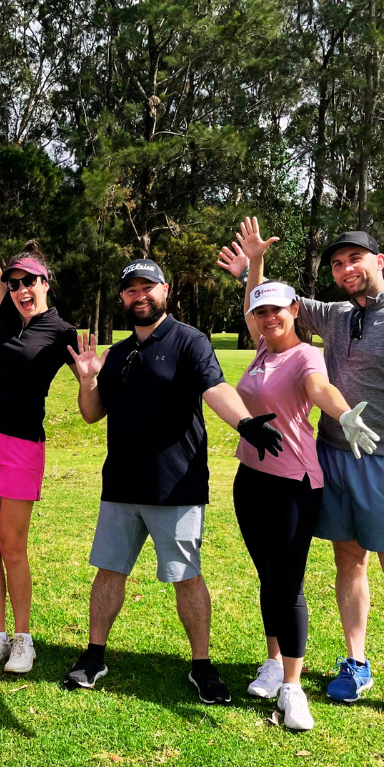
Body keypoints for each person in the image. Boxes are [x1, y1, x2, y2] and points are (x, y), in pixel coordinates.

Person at [65, 258, 285, 703]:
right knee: (109, 572)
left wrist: (244, 424)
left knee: (187, 578)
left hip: (177, 487)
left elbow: (215, 388)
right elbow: (92, 414)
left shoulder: (189, 341)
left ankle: (201, 666)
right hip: (121, 487)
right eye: (131, 290)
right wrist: (88, 381)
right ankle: (94, 655)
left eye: (149, 287)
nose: (140, 295)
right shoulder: (120, 351)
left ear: (165, 291)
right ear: (122, 298)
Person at [217, 222, 384, 703]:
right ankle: (357, 662)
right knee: (349, 560)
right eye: (337, 264)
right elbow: (267, 311)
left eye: (355, 259)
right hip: (333, 455)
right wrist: (253, 264)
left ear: (379, 261)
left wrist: (342, 411)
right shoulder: (333, 313)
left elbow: (317, 384)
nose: (346, 269)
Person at [0, 157, 80, 675]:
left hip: (22, 445)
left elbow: (92, 406)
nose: (20, 290)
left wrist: (92, 379)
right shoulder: (8, 312)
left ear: (46, 281)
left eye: (29, 282)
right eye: (13, 284)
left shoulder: (63, 332)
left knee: (12, 545)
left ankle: (24, 638)